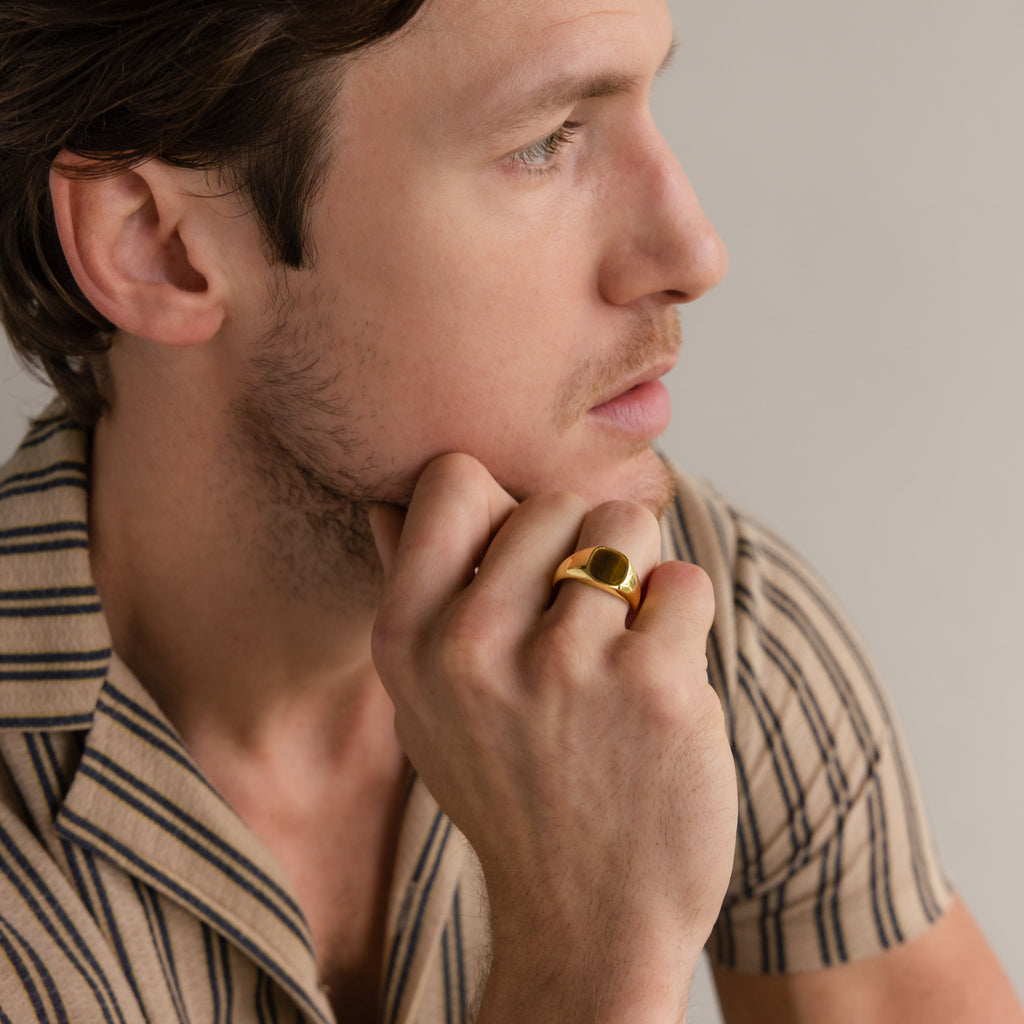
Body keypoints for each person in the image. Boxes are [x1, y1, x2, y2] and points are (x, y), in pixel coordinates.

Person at [0, 0, 1020, 1021]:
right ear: (159, 247)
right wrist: (588, 950)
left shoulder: (696, 622)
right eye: (543, 143)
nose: (693, 252)